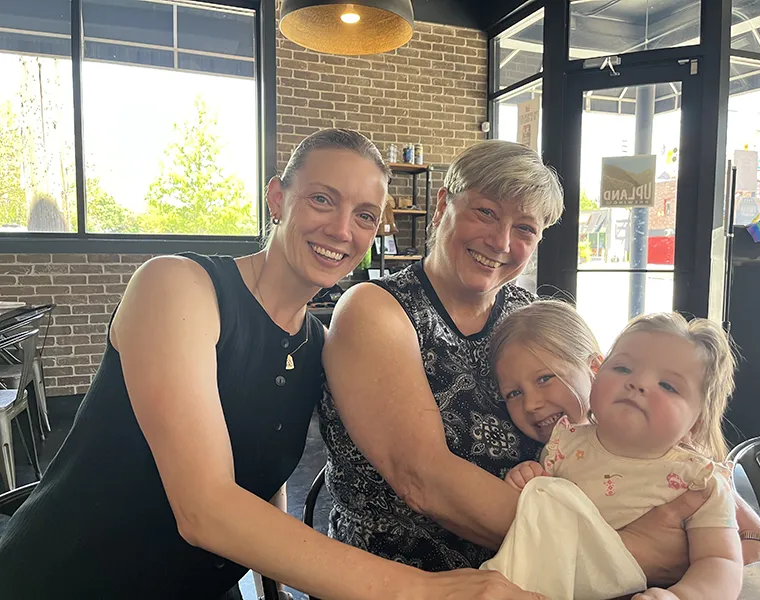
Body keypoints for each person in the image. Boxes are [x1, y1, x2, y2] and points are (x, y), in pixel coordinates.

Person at [0, 129, 540, 600]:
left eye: (365, 216)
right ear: (277, 198)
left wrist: (271, 586)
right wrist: (422, 591)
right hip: (66, 578)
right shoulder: (179, 287)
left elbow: (263, 477)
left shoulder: (313, 344)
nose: (341, 230)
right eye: (322, 200)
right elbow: (205, 508)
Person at [320, 140, 760, 584]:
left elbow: (613, 410)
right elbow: (424, 480)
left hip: (554, 576)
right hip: (410, 579)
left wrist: (744, 528)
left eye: (525, 229)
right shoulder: (376, 311)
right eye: (486, 212)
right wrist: (623, 553)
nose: (500, 241)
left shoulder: (528, 313)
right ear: (443, 205)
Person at [493, 304, 760, 599]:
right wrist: (531, 483)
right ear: (599, 374)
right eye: (623, 368)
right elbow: (546, 521)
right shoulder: (562, 445)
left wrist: (682, 596)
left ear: (696, 423)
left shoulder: (699, 480)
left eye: (667, 385)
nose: (638, 383)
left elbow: (720, 561)